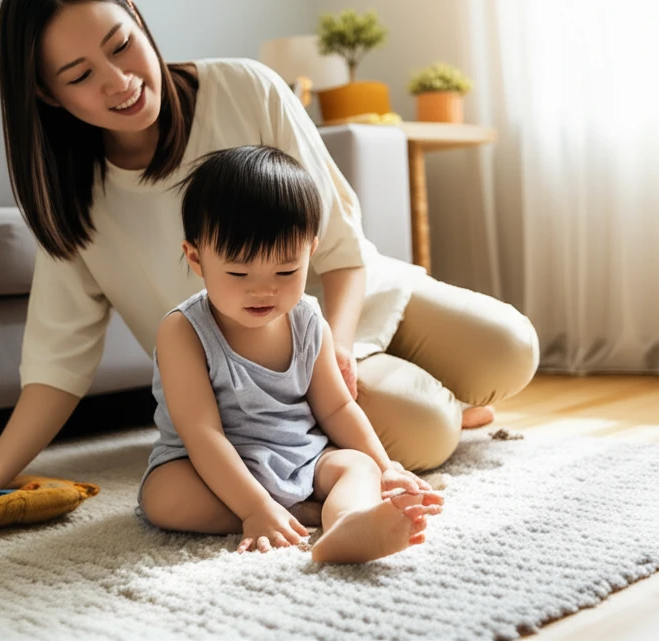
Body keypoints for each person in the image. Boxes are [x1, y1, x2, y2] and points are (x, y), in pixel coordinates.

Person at [0, 0, 539, 512]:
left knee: (513, 347)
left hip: (337, 305)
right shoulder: (73, 202)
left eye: (120, 44)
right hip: (258, 370)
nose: (120, 81)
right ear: (48, 95)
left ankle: (439, 393)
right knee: (421, 426)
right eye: (79, 76)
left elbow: (339, 247)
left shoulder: (246, 86)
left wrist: (333, 345)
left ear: (137, 14)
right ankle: (445, 408)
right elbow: (57, 363)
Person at [141, 145, 443, 562]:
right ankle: (296, 513)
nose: (263, 290)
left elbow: (336, 408)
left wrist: (385, 464)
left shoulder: (308, 321)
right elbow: (202, 435)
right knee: (163, 497)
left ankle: (346, 525)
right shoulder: (183, 330)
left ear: (310, 250)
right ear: (196, 257)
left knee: (358, 467)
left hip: (302, 456)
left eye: (285, 271)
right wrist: (253, 508)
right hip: (210, 467)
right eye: (239, 272)